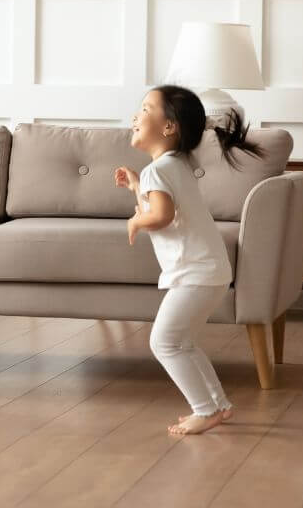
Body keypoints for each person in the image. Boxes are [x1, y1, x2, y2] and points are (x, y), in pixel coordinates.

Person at [115, 85, 263, 434]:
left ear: (169, 127)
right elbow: (166, 208)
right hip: (208, 271)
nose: (136, 115)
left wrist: (136, 219)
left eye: (146, 109)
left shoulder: (159, 170)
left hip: (194, 273)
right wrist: (137, 188)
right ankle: (217, 405)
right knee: (182, 343)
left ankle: (204, 409)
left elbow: (162, 216)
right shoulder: (173, 164)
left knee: (163, 342)